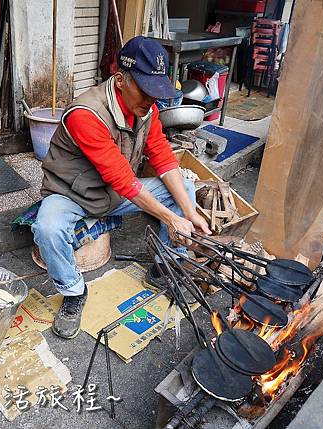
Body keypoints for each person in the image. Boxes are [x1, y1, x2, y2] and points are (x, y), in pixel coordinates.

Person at [32, 36, 210, 339]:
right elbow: (123, 179)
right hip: (71, 194)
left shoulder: (146, 111)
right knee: (47, 227)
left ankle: (166, 267)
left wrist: (190, 213)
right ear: (120, 80)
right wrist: (171, 218)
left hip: (114, 194)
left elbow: (163, 157)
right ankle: (74, 293)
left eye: (157, 92)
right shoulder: (85, 114)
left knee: (186, 188)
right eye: (145, 90)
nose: (151, 100)